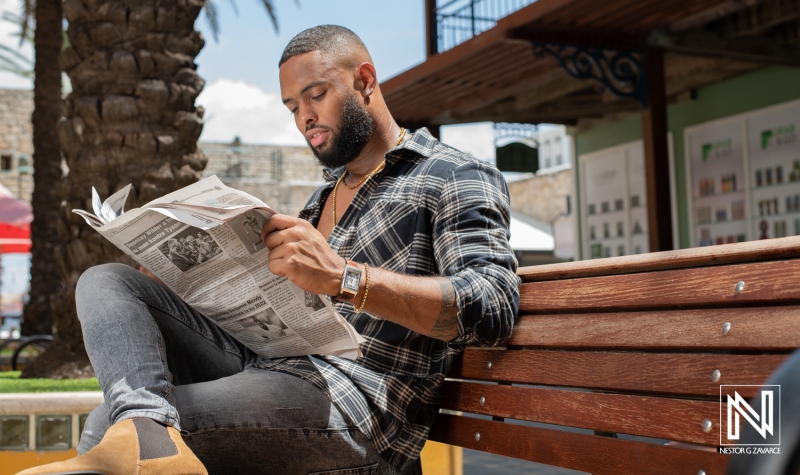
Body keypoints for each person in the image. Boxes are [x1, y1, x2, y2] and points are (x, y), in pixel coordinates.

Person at [18, 25, 519, 475]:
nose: (305, 119)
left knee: (113, 423)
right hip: (273, 369)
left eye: (315, 96)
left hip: (355, 408)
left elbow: (493, 309)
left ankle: (145, 443)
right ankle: (149, 436)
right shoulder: (321, 197)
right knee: (107, 281)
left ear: (365, 80)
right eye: (292, 108)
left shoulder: (453, 175)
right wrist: (187, 282)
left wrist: (348, 278)